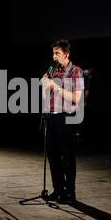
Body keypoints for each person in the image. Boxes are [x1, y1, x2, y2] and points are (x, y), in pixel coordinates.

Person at [41, 39, 84, 204]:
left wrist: (57, 87)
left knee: (67, 156)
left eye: (57, 53)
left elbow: (76, 98)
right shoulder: (52, 71)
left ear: (66, 54)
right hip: (51, 117)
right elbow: (46, 95)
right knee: (53, 156)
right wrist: (45, 86)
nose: (54, 56)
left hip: (66, 118)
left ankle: (70, 192)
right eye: (53, 53)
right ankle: (57, 189)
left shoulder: (76, 71)